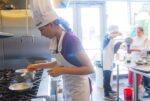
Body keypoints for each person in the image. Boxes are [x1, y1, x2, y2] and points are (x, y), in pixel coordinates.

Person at [27, 0, 94, 101]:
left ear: (51, 24)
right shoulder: (56, 39)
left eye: (42, 30)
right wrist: (38, 66)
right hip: (69, 86)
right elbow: (60, 62)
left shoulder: (71, 39)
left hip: (80, 90)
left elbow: (90, 68)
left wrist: (61, 70)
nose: (41, 34)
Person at [102, 25, 121, 100]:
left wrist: (118, 44)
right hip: (106, 61)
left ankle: (109, 90)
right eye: (115, 32)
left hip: (110, 60)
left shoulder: (112, 39)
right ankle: (106, 94)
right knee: (106, 78)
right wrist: (118, 34)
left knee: (109, 77)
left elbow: (113, 50)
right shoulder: (107, 36)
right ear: (112, 31)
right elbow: (110, 36)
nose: (116, 34)